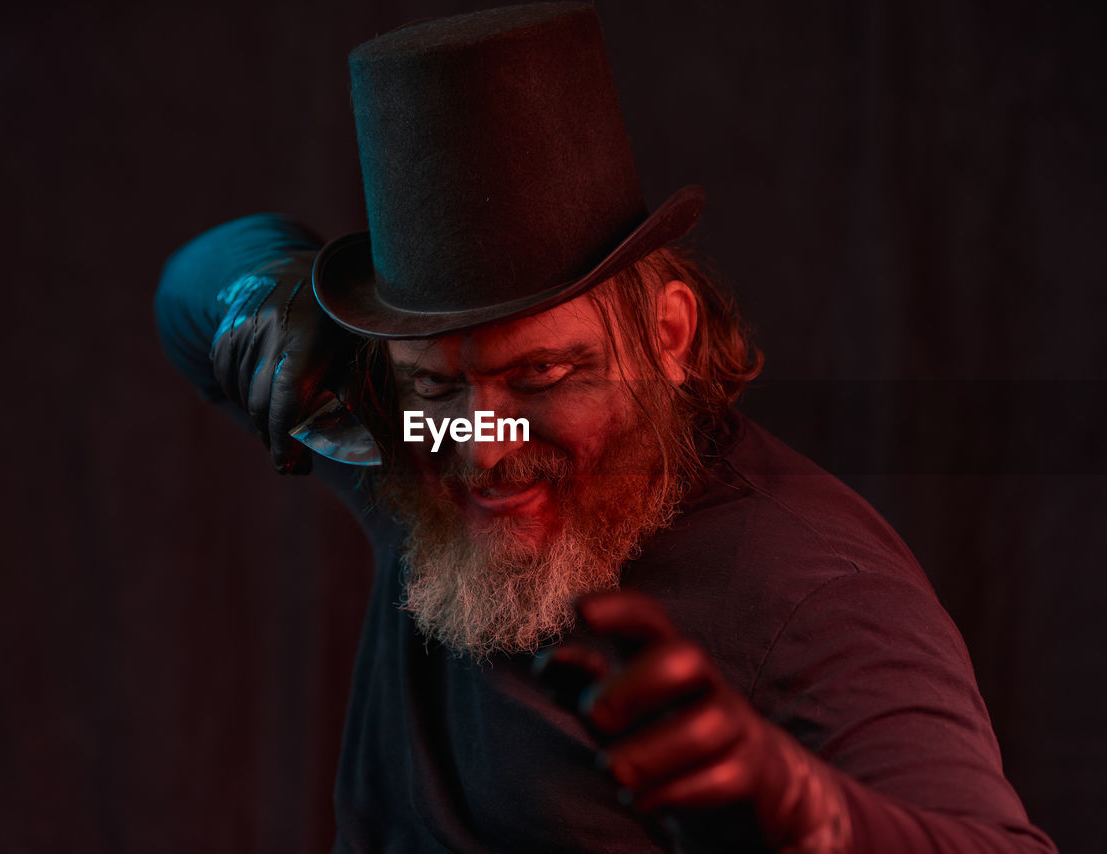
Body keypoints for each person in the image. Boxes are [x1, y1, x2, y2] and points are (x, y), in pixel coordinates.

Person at [154, 4, 1058, 852]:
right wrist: (266, 292)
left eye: (543, 374)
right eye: (434, 383)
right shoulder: (420, 455)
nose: (485, 445)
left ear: (667, 336)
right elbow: (189, 289)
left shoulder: (809, 588)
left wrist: (810, 814)